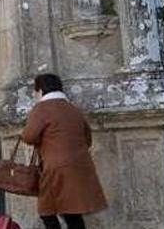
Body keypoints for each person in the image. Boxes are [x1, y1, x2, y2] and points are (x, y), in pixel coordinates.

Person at [19, 73, 108, 229]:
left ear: (40, 91)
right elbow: (87, 138)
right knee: (72, 211)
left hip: (55, 168)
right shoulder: (73, 109)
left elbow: (28, 136)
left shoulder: (42, 109)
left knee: (47, 211)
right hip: (80, 166)